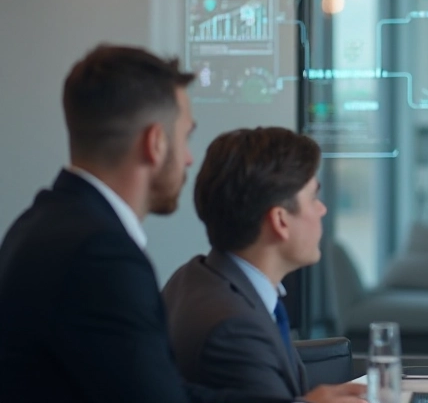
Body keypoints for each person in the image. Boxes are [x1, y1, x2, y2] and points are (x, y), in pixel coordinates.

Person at [0, 45, 359, 403]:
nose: (189, 159)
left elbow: (156, 389)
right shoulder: (100, 254)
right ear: (155, 143)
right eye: (185, 136)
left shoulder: (41, 222)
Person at [163, 127, 362, 401]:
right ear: (280, 220)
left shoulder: (193, 277)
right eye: (313, 198)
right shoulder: (234, 330)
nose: (322, 209)